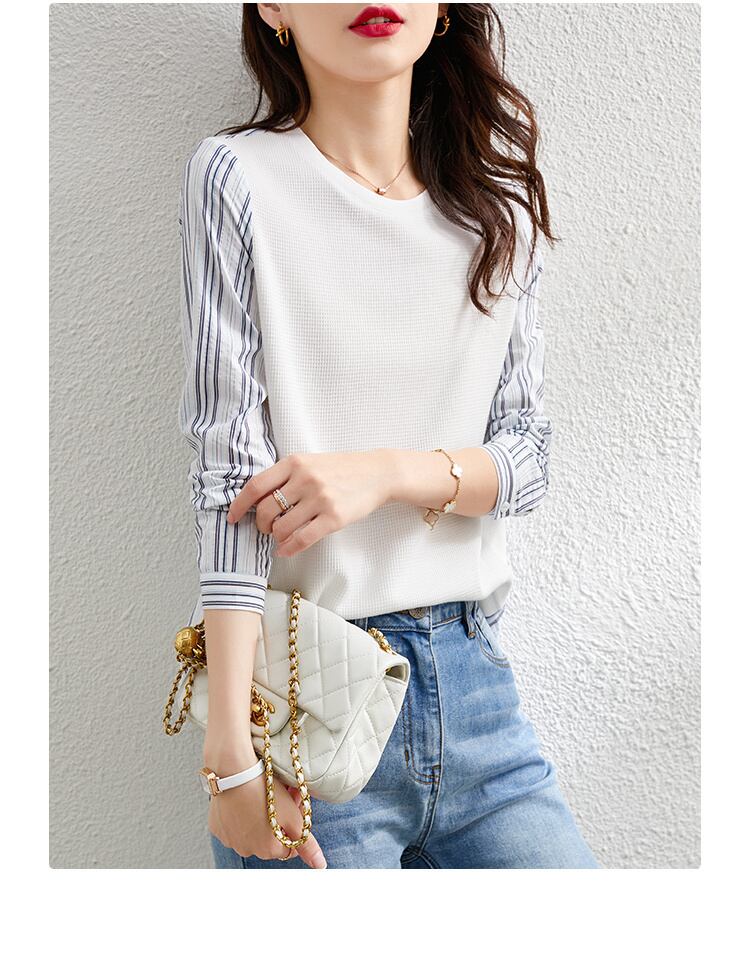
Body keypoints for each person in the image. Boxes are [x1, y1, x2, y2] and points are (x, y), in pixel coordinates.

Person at [177, 2, 600, 869]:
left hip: (476, 687)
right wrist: (231, 753)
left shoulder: (496, 205)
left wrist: (386, 475)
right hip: (307, 701)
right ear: (274, 8)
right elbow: (227, 480)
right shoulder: (238, 177)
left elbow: (528, 456)